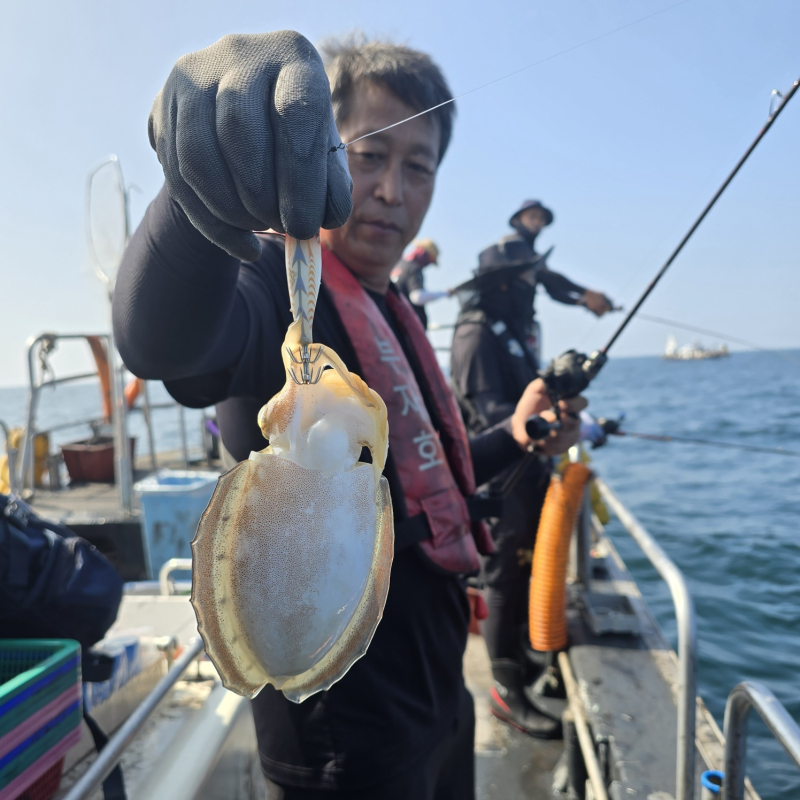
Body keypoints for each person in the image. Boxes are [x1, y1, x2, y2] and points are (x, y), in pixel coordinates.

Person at [113, 31, 587, 799]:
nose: (393, 191)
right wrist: (196, 195)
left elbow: (426, 480)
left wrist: (515, 436)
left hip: (435, 696)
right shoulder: (270, 278)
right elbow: (164, 342)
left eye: (418, 166)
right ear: (320, 151)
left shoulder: (392, 305)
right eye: (368, 155)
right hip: (340, 739)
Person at [450, 244, 565, 738]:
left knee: (523, 574)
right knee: (501, 581)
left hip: (530, 474)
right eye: (524, 281)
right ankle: (504, 690)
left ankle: (524, 664)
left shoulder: (512, 331)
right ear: (501, 285)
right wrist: (542, 424)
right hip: (500, 479)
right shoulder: (475, 334)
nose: (531, 290)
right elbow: (494, 414)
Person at [501, 199, 615, 343]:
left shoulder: (533, 257)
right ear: (517, 221)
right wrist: (588, 293)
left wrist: (584, 302)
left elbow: (554, 292)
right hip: (498, 327)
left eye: (541, 219)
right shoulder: (511, 246)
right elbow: (548, 276)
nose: (537, 222)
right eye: (532, 217)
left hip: (517, 328)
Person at [390, 238, 448, 328]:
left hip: (395, 323)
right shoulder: (414, 268)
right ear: (422, 252)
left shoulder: (397, 265)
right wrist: (445, 293)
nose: (427, 265)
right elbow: (417, 297)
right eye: (429, 260)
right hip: (410, 327)